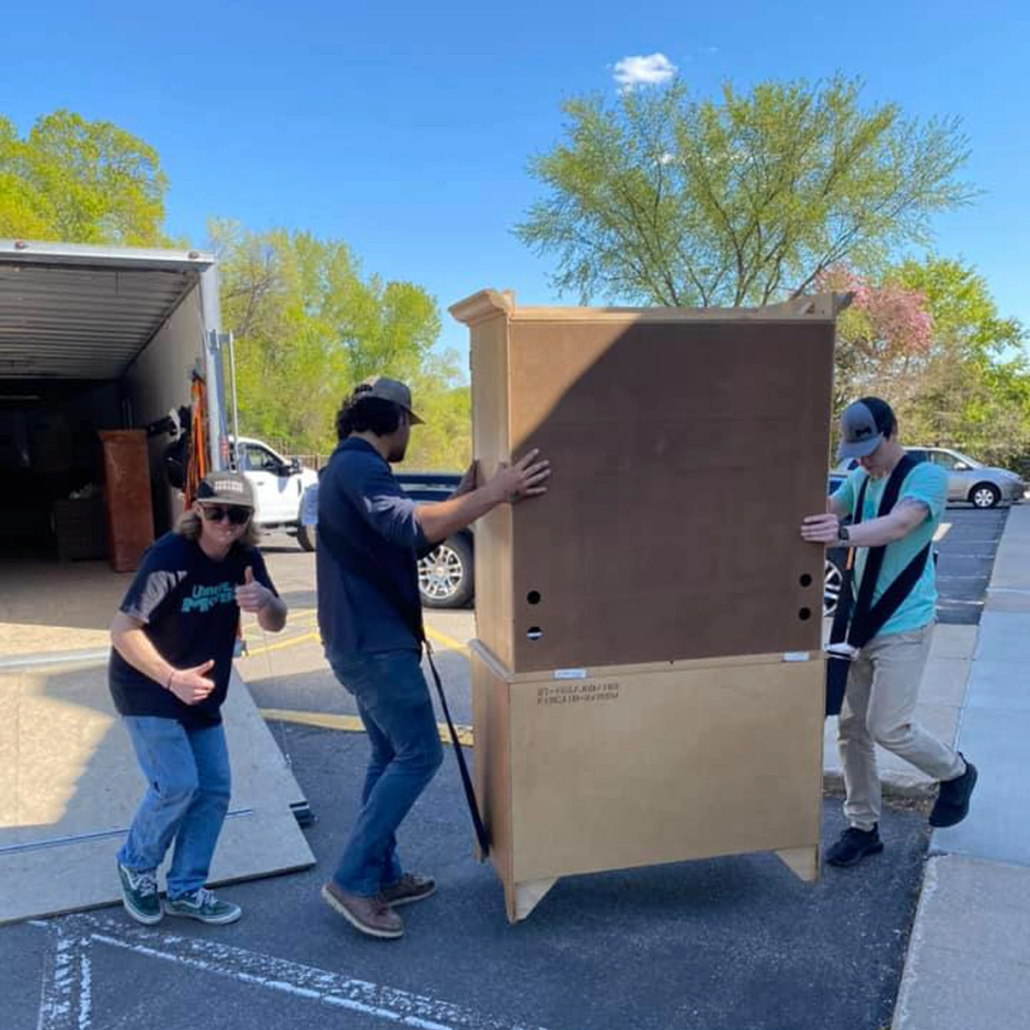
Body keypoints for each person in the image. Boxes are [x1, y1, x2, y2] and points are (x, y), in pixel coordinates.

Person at [317, 376, 550, 939]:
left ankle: (380, 872)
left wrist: (465, 500)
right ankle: (352, 880)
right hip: (374, 646)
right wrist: (497, 492)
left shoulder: (349, 468)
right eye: (407, 425)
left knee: (387, 754)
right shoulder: (358, 466)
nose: (407, 438)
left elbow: (410, 538)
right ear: (391, 419)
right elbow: (408, 525)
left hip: (362, 641)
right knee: (419, 755)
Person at [801, 397, 977, 867]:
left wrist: (839, 534)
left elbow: (898, 526)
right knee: (851, 729)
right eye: (855, 451)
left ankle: (956, 773)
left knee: (888, 727)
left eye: (871, 448)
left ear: (892, 433)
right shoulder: (861, 476)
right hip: (859, 624)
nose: (863, 459)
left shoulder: (926, 479)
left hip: (904, 622)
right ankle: (862, 827)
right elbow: (827, 505)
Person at [109, 470, 287, 924]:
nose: (226, 523)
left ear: (249, 520)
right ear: (198, 511)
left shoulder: (246, 558)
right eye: (216, 512)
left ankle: (186, 888)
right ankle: (136, 864)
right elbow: (122, 631)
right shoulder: (169, 557)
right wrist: (171, 679)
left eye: (238, 515)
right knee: (177, 784)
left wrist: (265, 600)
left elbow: (277, 623)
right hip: (148, 685)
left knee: (213, 791)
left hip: (202, 693)